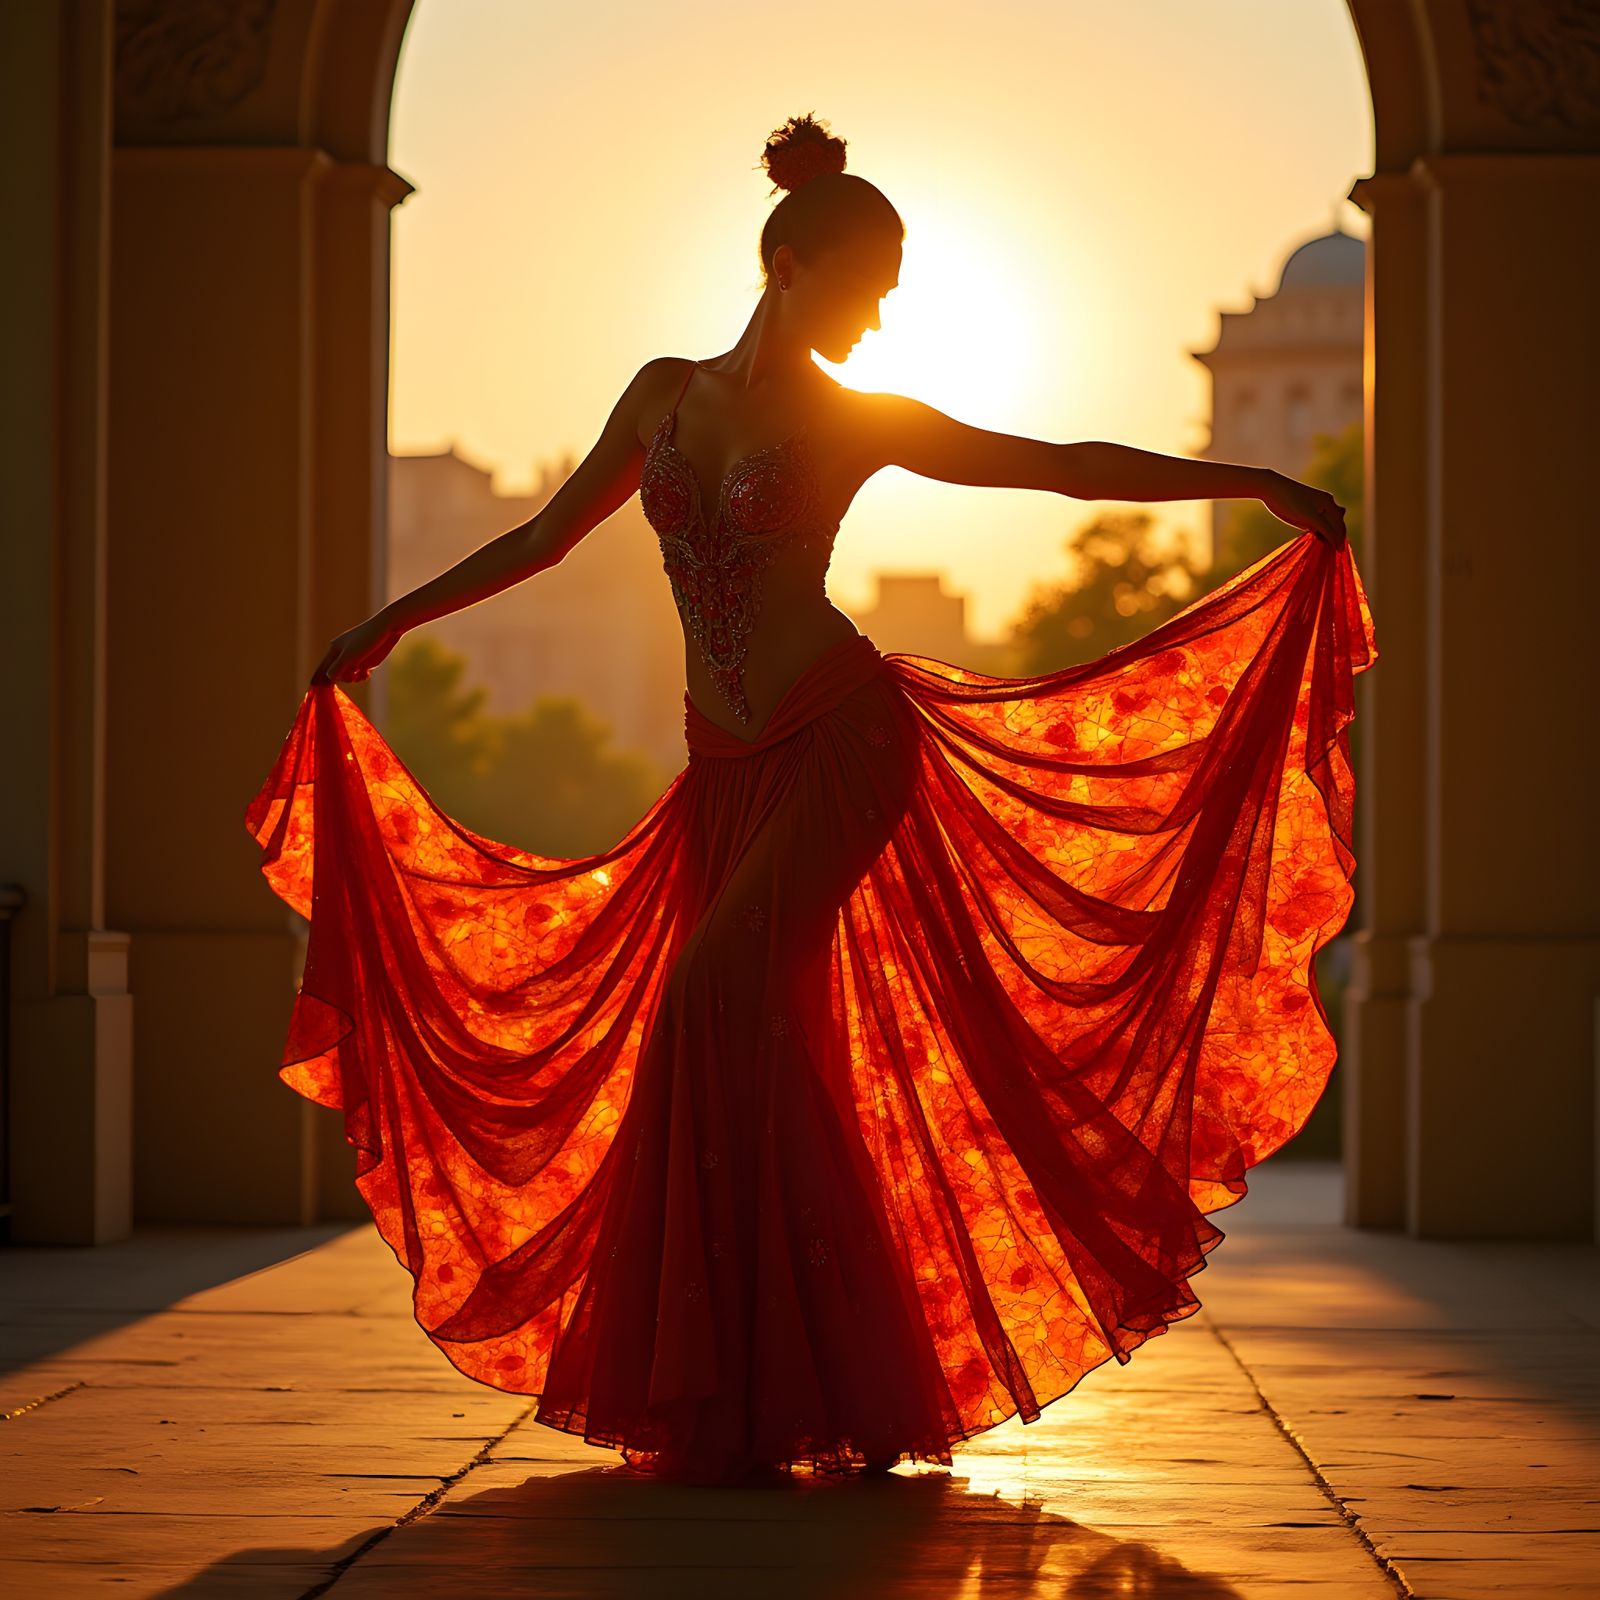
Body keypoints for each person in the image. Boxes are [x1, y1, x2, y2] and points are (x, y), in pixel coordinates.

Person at [247, 112, 1375, 1488]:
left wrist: (1248, 482)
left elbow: (1056, 460)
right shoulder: (663, 393)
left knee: (712, 999)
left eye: (896, 288)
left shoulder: (856, 420)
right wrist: (391, 624)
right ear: (791, 260)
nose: (884, 313)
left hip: (841, 743)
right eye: (871, 282)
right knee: (759, 1033)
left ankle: (773, 1362)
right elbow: (546, 537)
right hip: (718, 772)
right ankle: (792, 1376)